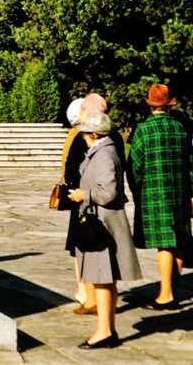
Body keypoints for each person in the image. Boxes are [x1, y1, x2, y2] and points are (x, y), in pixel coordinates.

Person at [67, 112, 141, 349]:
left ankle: (104, 331)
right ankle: (107, 329)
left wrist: (83, 195)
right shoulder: (103, 151)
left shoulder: (103, 155)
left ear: (94, 134)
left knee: (102, 279)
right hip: (103, 221)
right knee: (104, 279)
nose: (82, 138)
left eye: (85, 134)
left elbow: (107, 192)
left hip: (103, 223)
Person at [129, 83, 193, 309]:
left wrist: (138, 192)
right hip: (181, 193)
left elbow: (135, 166)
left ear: (150, 105)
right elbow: (191, 165)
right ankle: (172, 288)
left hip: (155, 194)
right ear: (168, 105)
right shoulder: (180, 129)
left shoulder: (143, 130)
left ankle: (165, 295)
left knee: (165, 244)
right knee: (178, 242)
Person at [59, 97, 86, 306]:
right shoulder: (112, 134)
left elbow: (68, 168)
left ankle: (84, 290)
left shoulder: (76, 136)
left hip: (81, 198)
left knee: (80, 245)